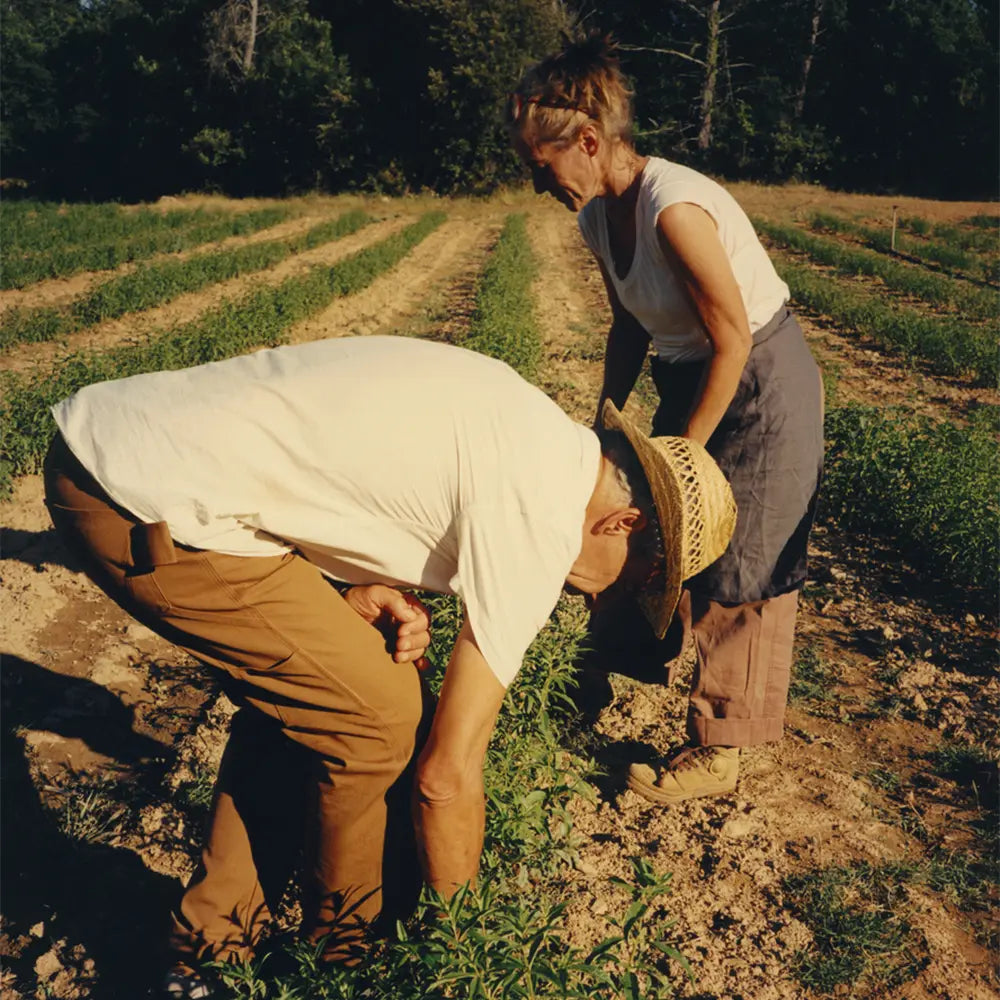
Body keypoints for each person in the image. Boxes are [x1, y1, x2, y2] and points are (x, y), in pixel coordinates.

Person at [43, 334, 736, 998]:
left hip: (140, 459)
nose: (600, 597)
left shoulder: (536, 434)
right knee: (375, 719)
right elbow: (445, 778)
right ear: (623, 525)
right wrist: (465, 954)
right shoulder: (541, 519)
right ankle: (343, 967)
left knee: (335, 687)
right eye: (635, 582)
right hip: (136, 498)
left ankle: (210, 948)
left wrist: (343, 590)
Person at [508, 34, 824, 804]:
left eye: (542, 164)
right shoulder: (596, 219)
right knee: (646, 531)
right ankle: (600, 676)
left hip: (761, 381)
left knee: (743, 559)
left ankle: (721, 747)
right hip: (691, 374)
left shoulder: (673, 209)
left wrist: (686, 457)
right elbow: (629, 326)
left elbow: (734, 337)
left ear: (589, 141)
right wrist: (606, 421)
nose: (537, 181)